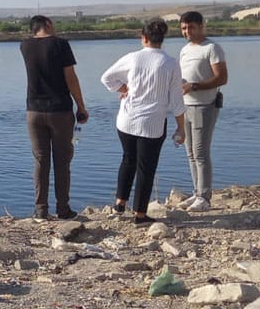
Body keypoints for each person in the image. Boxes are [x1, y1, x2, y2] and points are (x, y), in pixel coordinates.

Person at [100, 19, 187, 224]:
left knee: (128, 159)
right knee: (146, 168)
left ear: (144, 38)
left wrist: (123, 89)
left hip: (127, 120)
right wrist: (181, 127)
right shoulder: (171, 63)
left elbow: (106, 78)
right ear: (162, 39)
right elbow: (176, 99)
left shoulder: (133, 58)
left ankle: (120, 203)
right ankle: (140, 214)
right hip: (152, 123)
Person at [20, 15, 89, 219]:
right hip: (60, 110)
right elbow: (71, 78)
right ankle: (63, 209)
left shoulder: (24, 46)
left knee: (41, 160)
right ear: (48, 25)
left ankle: (40, 209)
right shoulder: (60, 44)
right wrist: (81, 106)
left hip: (33, 111)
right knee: (62, 162)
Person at [177, 11, 229, 211]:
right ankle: (197, 192)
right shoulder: (185, 50)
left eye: (190, 27)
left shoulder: (212, 48)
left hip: (204, 106)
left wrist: (195, 86)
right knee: (190, 153)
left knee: (200, 153)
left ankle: (205, 197)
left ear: (201, 26)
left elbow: (221, 78)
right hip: (185, 105)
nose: (187, 32)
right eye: (183, 28)